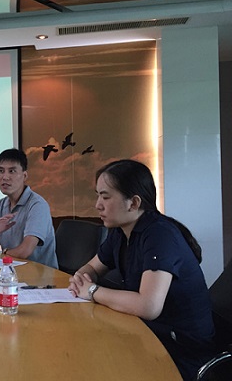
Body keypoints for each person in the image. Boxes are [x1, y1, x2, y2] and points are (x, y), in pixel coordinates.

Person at [68, 159, 214, 381]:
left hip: (179, 352)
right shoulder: (120, 231)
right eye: (98, 196)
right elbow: (92, 267)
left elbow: (148, 306)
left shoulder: (159, 235)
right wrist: (81, 279)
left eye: (105, 197)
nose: (97, 205)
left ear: (134, 203)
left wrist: (91, 291)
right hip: (146, 334)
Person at [0, 148, 58, 269]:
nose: (5, 177)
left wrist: (4, 253)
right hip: (12, 272)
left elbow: (25, 251)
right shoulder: (2, 204)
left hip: (40, 276)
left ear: (24, 176)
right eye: (1, 171)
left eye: (12, 171)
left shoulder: (37, 205)